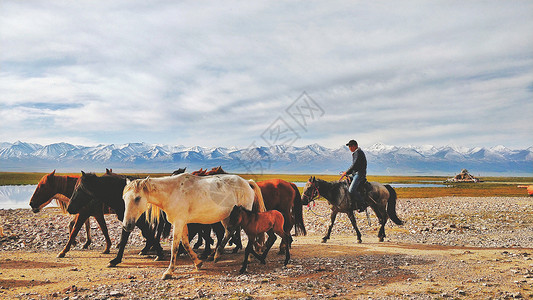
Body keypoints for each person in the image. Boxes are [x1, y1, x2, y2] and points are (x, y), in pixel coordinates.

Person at [341, 140, 367, 212]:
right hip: (355, 174)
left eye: (350, 146)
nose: (349, 148)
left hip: (359, 174)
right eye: (349, 146)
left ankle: (363, 204)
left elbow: (355, 165)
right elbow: (355, 166)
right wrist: (348, 174)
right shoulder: (356, 153)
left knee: (351, 190)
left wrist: (346, 172)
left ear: (355, 146)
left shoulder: (358, 152)